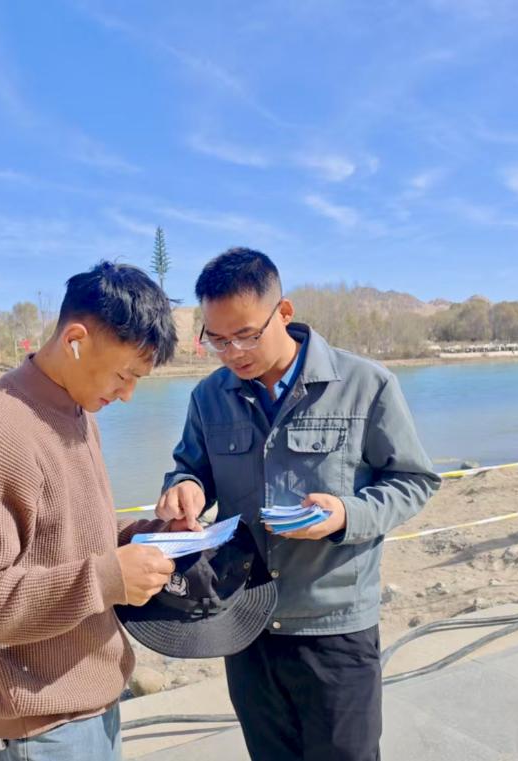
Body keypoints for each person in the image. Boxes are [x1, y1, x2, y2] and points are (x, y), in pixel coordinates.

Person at [157, 248, 440, 761]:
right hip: (245, 623)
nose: (233, 352)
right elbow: (189, 470)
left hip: (334, 624)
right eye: (217, 339)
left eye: (246, 335)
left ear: (283, 313)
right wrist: (186, 488)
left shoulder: (366, 385)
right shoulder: (208, 397)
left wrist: (347, 515)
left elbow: (413, 480)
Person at [0, 261, 179, 761]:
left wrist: (151, 535)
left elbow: (69, 536)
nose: (128, 395)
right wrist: (108, 578)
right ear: (75, 340)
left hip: (90, 701)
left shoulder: (77, 410)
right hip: (40, 727)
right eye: (124, 375)